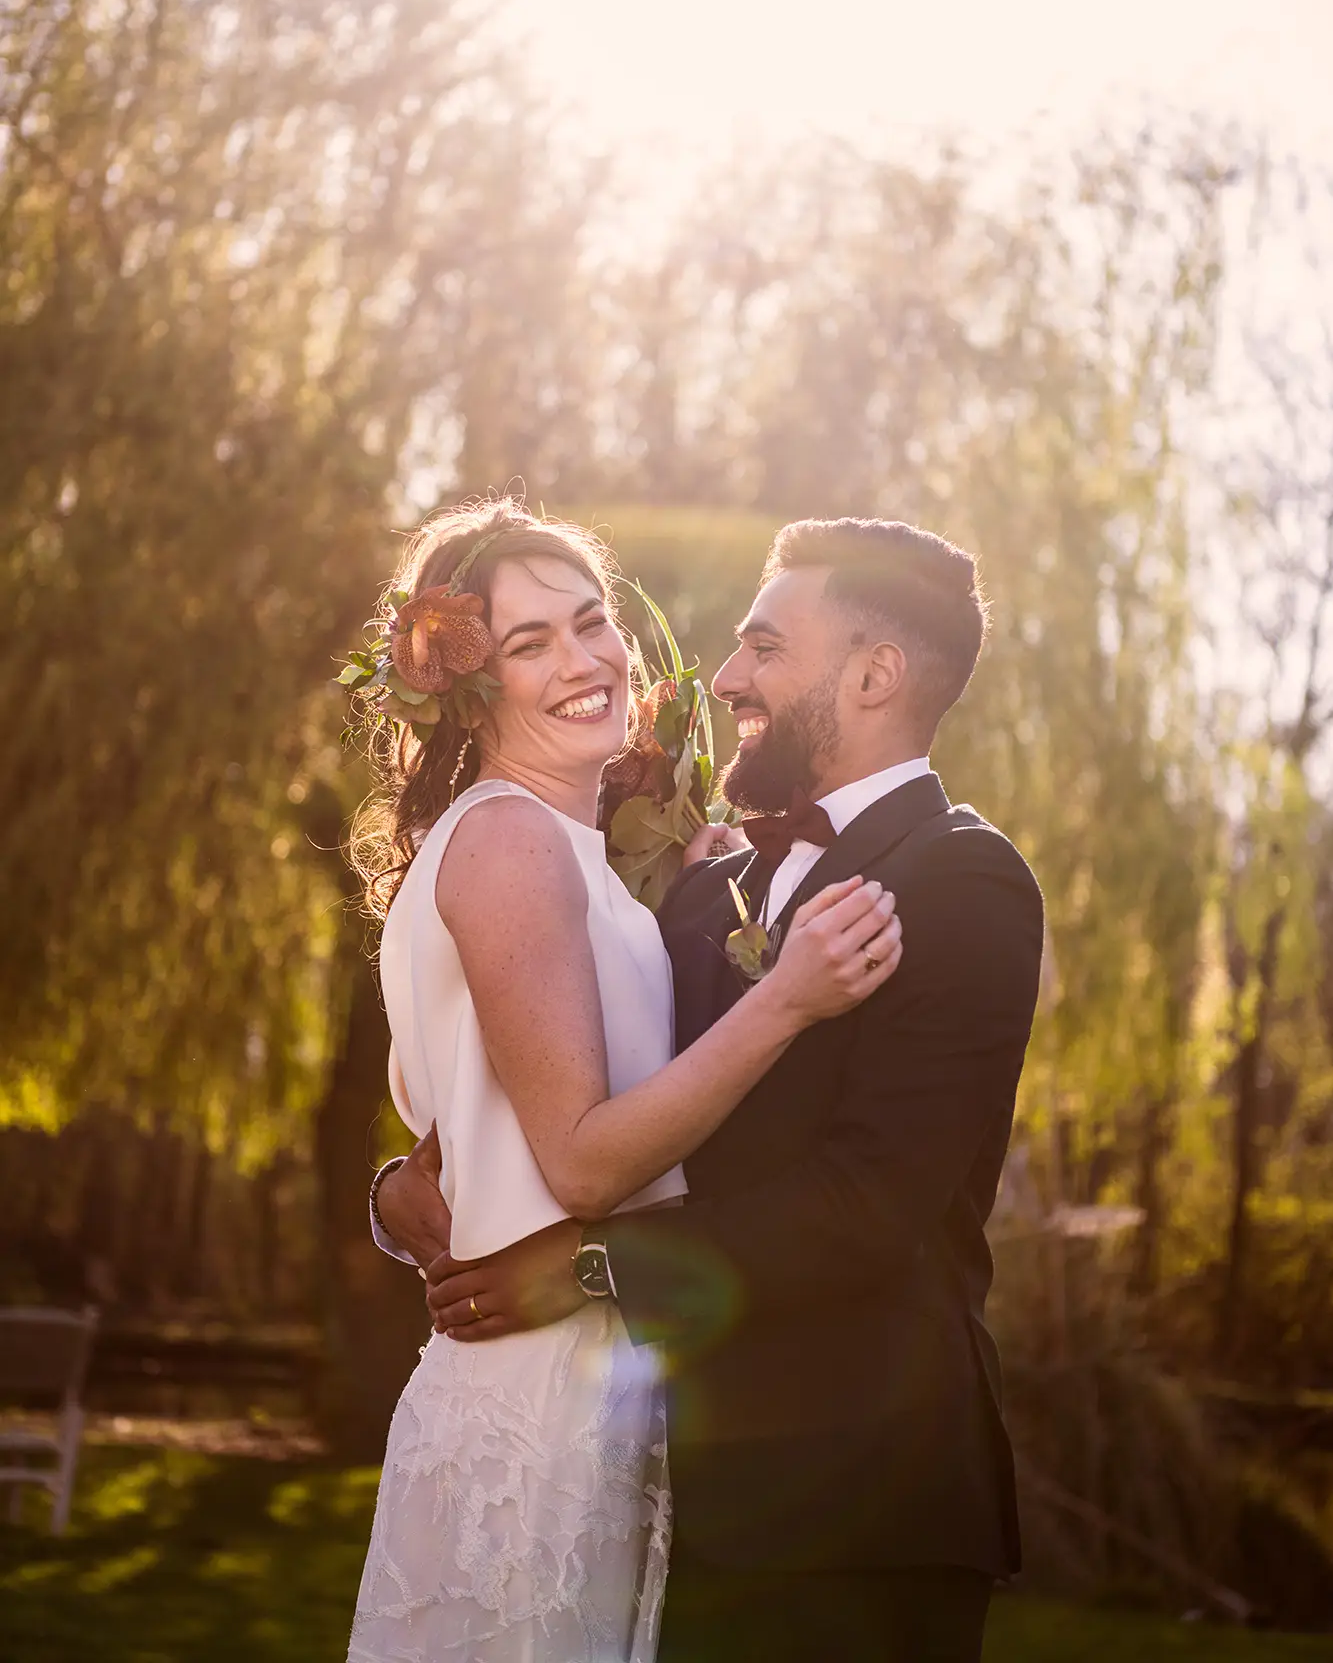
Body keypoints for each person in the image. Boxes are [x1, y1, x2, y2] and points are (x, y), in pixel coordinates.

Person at [383, 516, 1045, 1663]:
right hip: (678, 1484)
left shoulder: (963, 878)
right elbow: (570, 1090)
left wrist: (588, 1264)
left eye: (763, 648)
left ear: (875, 674)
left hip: (859, 1497)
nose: (721, 675)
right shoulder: (699, 893)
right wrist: (408, 1181)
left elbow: (869, 1204)